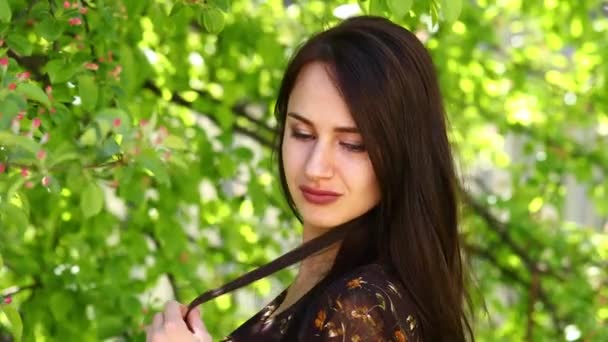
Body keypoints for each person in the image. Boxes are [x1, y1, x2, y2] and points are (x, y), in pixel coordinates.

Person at [146, 15, 473, 342]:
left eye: (352, 144)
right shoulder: (324, 283)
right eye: (302, 134)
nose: (316, 168)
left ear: (402, 153)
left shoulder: (360, 307)